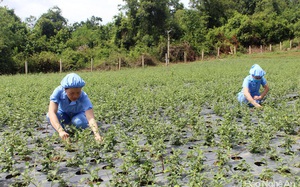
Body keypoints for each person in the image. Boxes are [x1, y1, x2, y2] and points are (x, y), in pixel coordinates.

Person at [47, 73, 103, 142]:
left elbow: (90, 117)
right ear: (65, 89)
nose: (75, 96)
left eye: (78, 92)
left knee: (78, 122)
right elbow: (52, 112)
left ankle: (82, 130)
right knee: (49, 115)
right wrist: (60, 130)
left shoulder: (83, 96)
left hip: (79, 115)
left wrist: (97, 135)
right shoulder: (58, 92)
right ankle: (64, 134)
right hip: (64, 115)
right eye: (72, 93)